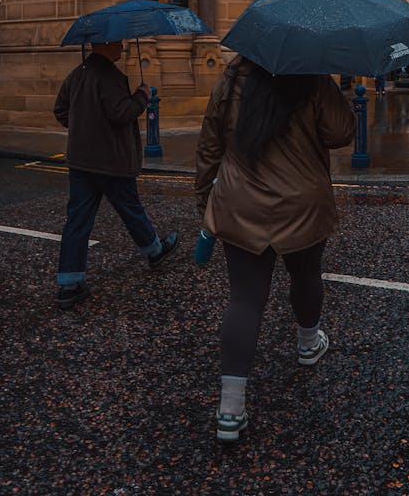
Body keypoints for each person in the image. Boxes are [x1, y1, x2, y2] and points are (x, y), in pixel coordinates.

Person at [195, 56, 356, 442]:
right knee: (305, 276)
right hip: (301, 201)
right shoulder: (313, 75)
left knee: (245, 299)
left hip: (241, 202)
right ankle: (308, 344)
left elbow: (210, 141)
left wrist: (205, 201)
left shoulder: (233, 75)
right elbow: (342, 132)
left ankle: (230, 410)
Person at [53, 40, 179, 310]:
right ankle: (155, 251)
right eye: (118, 43)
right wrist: (142, 95)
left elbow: (61, 111)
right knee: (130, 208)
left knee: (77, 220)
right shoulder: (109, 76)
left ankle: (69, 284)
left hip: (81, 161)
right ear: (106, 45)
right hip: (110, 161)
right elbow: (122, 113)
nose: (122, 47)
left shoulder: (78, 73)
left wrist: (84, 128)